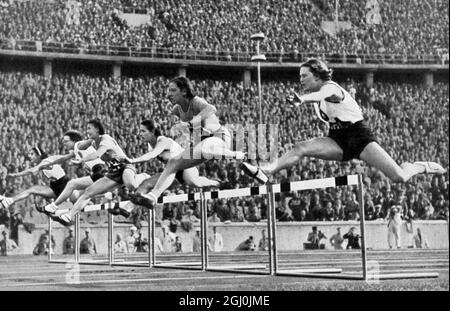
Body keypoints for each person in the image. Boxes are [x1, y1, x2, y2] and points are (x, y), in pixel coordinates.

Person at [241, 58, 445, 185]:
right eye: (299, 76)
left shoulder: (330, 87)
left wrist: (302, 99)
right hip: (337, 138)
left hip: (358, 136)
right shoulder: (317, 93)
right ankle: (266, 170)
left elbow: (323, 94)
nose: (301, 79)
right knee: (300, 147)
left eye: (304, 75)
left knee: (399, 177)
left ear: (317, 75)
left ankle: (419, 166)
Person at [133, 76, 245, 210]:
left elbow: (212, 109)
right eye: (168, 90)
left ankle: (237, 155)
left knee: (206, 147)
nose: (169, 94)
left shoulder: (196, 101)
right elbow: (191, 130)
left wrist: (193, 122)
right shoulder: (176, 110)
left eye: (173, 90)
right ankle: (152, 197)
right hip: (201, 144)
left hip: (218, 137)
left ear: (184, 91)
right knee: (173, 162)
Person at [120, 119, 220, 221]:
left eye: (143, 131)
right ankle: (127, 209)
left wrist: (133, 160)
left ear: (152, 132)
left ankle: (214, 183)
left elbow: (152, 155)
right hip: (171, 172)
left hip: (186, 169)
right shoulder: (150, 145)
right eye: (140, 131)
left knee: (196, 183)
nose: (140, 134)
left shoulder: (163, 141)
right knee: (146, 184)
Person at [56, 120, 146, 226]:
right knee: (88, 192)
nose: (87, 131)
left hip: (125, 167)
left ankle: (144, 177)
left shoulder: (106, 139)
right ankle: (69, 216)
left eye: (89, 128)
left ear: (97, 129)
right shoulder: (94, 142)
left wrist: (82, 160)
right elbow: (83, 144)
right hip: (113, 173)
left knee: (130, 184)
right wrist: (77, 147)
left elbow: (97, 154)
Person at [42, 130, 108, 218]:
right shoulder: (75, 151)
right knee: (85, 194)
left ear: (74, 141)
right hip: (100, 172)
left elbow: (88, 141)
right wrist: (50, 163)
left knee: (72, 184)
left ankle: (53, 206)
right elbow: (63, 158)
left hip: (100, 171)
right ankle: (107, 195)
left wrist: (96, 136)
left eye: (66, 141)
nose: (64, 144)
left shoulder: (78, 145)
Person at [0, 144, 74, 215]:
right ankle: (9, 200)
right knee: (34, 190)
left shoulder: (45, 162)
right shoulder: (48, 159)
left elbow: (31, 171)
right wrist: (71, 155)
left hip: (63, 185)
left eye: (32, 154)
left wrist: (16, 175)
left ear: (38, 155)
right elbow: (63, 157)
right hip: (56, 187)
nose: (30, 156)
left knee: (33, 189)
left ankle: (10, 200)